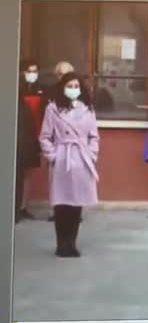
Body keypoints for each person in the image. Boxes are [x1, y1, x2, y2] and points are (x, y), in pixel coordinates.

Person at [40, 72, 99, 258]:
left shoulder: (88, 109)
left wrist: (91, 154)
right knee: (61, 204)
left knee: (76, 204)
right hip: (62, 159)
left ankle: (72, 243)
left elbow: (94, 136)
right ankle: (61, 244)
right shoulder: (52, 109)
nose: (73, 90)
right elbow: (45, 136)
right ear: (62, 87)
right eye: (69, 86)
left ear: (80, 89)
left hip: (81, 160)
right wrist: (53, 155)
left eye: (76, 86)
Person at [16, 59, 47, 222]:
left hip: (33, 134)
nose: (32, 74)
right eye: (29, 71)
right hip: (18, 133)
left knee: (27, 172)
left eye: (35, 71)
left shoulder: (42, 89)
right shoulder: (17, 88)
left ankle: (23, 207)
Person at [46, 61, 75, 222]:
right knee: (55, 182)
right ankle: (57, 211)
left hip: (76, 148)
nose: (63, 77)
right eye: (60, 74)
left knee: (74, 180)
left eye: (66, 73)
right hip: (56, 145)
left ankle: (74, 212)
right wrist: (50, 152)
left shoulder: (78, 92)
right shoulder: (51, 93)